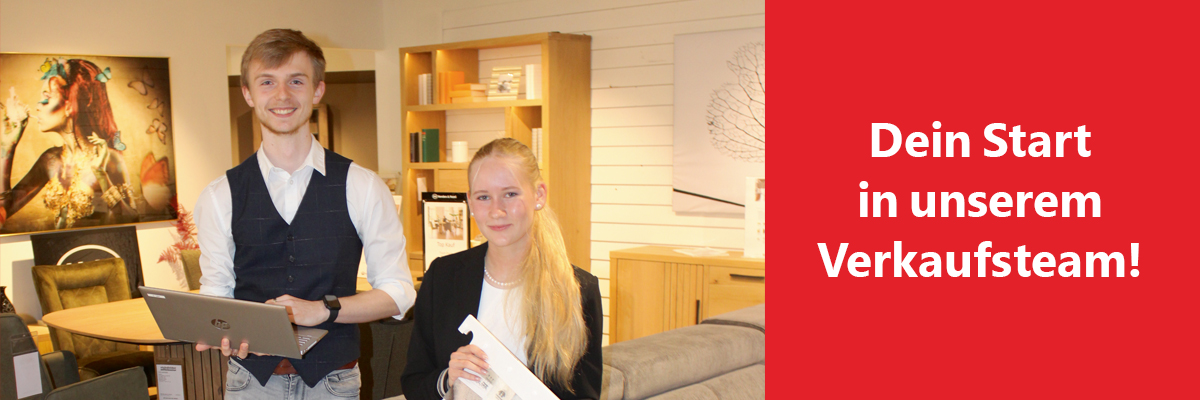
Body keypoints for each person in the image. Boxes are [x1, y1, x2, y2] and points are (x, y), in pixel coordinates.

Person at [194, 29, 416, 399]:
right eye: (267, 82)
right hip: (250, 383)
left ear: (317, 90)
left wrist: (322, 310)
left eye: (296, 81)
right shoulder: (220, 195)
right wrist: (225, 331)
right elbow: (216, 294)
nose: (282, 95)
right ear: (248, 94)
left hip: (334, 382)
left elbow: (399, 294)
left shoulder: (362, 185)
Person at [402, 138, 603, 400]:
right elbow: (413, 382)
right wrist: (447, 378)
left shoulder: (578, 289)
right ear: (470, 202)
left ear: (539, 195)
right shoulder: (442, 276)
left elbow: (586, 395)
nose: (496, 211)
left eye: (510, 194)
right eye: (483, 197)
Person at [1, 58, 135, 230]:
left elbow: (132, 220)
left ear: (70, 106)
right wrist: (7, 147)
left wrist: (102, 176)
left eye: (46, 98)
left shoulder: (109, 158)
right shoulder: (50, 160)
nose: (37, 106)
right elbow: (3, 212)